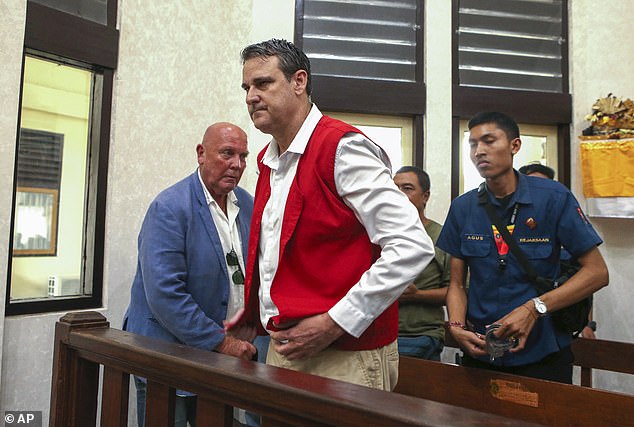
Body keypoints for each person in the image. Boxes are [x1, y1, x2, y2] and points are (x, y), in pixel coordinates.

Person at [227, 38, 435, 391]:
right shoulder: (268, 160)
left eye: (263, 83)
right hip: (285, 348)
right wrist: (255, 314)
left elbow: (412, 245)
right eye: (247, 87)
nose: (250, 96)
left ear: (299, 82)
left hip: (344, 356)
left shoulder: (342, 147)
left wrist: (336, 321)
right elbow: (278, 254)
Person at [437, 111, 609, 383]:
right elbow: (456, 284)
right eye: (473, 144)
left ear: (514, 146)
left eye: (489, 141)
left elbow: (597, 272)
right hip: (481, 351)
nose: (479, 151)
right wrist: (456, 326)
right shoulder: (463, 207)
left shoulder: (553, 198)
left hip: (543, 354)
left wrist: (534, 307)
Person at [123, 122, 256, 427]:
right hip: (169, 356)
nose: (237, 164)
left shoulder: (247, 204)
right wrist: (221, 343)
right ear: (201, 153)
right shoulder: (169, 207)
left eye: (243, 156)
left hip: (221, 359)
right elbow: (165, 294)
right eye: (227, 153)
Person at [519, 162, 597, 339]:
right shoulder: (510, 223)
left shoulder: (565, 226)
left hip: (557, 325)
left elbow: (587, 280)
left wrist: (587, 323)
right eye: (533, 185)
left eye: (544, 185)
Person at [393, 166, 450, 361]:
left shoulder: (441, 236)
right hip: (376, 332)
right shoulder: (377, 234)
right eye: (394, 189)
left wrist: (417, 295)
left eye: (407, 188)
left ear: (425, 196)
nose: (399, 194)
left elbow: (457, 291)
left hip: (418, 335)